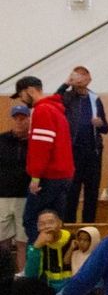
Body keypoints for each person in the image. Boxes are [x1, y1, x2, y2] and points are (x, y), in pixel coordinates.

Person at [16, 75, 73, 242]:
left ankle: (37, 261)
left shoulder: (42, 111)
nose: (21, 99)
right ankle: (56, 263)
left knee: (31, 221)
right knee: (55, 222)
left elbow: (42, 146)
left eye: (21, 94)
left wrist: (35, 176)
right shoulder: (55, 109)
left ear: (30, 91)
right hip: (63, 174)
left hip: (48, 176)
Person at [58, 66, 108, 223]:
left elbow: (106, 128)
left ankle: (89, 227)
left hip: (93, 152)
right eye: (77, 76)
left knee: (91, 193)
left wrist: (100, 124)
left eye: (84, 76)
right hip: (72, 152)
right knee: (71, 192)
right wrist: (66, 83)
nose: (81, 79)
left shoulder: (95, 98)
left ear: (89, 79)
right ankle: (69, 227)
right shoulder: (66, 97)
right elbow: (53, 102)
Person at [11, 210, 74, 295]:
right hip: (49, 294)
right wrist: (36, 247)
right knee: (21, 283)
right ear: (37, 228)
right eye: (42, 224)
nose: (47, 227)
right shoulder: (37, 245)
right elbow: (30, 275)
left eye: (50, 222)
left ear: (60, 223)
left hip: (71, 291)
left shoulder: (73, 240)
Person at [0, 105, 29, 271]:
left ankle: (21, 277)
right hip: (2, 196)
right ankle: (4, 275)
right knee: (2, 239)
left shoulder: (34, 141)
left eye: (23, 118)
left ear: (29, 119)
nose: (19, 121)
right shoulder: (2, 140)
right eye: (16, 118)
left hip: (25, 197)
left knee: (22, 241)